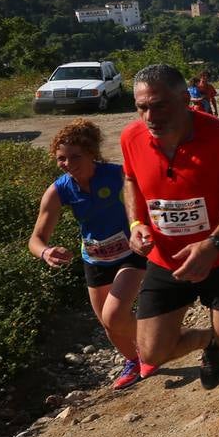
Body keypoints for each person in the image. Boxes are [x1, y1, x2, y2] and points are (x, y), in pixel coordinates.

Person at [122, 64, 219, 437]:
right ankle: (208, 340)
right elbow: (131, 182)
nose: (150, 116)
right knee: (150, 353)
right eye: (142, 107)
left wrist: (213, 243)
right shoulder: (132, 137)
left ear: (186, 100)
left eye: (160, 105)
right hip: (164, 259)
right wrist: (136, 225)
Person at [29, 119, 148, 390]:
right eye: (61, 158)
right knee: (109, 326)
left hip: (130, 253)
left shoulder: (118, 175)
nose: (68, 163)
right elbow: (35, 239)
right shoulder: (59, 190)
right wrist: (46, 252)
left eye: (75, 157)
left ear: (92, 153)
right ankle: (135, 360)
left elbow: (149, 199)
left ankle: (160, 340)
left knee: (115, 316)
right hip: (95, 260)